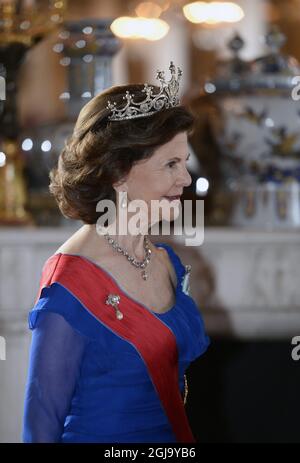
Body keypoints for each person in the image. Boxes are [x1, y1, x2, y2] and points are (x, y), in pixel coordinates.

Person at [22, 62, 210, 443]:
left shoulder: (166, 263)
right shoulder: (70, 282)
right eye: (170, 164)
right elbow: (41, 421)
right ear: (118, 172)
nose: (186, 178)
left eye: (184, 162)